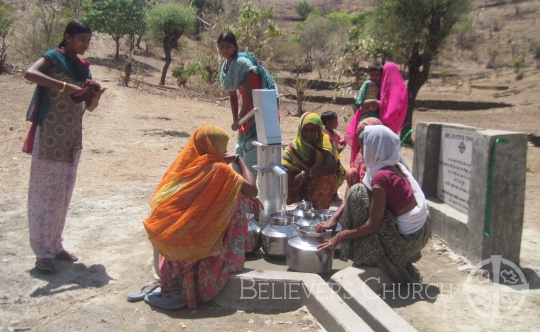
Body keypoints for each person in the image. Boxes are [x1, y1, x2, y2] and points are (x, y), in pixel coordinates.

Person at [143, 125, 262, 310]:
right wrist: (238, 159)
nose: (224, 150)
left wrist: (241, 193)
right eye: (222, 146)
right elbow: (252, 188)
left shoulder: (187, 166)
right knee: (238, 200)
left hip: (179, 237)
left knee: (237, 194)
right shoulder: (220, 170)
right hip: (202, 241)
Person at [23, 20, 106, 272]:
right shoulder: (52, 58)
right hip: (49, 134)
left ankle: (55, 246)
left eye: (89, 40)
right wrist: (63, 85)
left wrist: (96, 97)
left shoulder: (83, 69)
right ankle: (42, 253)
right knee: (43, 193)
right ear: (68, 38)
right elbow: (29, 73)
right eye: (82, 39)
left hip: (71, 138)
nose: (86, 44)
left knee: (62, 195)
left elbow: (88, 108)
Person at [316, 126, 431, 284]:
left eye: (364, 146)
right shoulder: (392, 165)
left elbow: (373, 224)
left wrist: (340, 236)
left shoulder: (381, 178)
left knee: (358, 195)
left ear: (375, 147)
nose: (362, 150)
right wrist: (335, 217)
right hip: (420, 233)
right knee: (358, 193)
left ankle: (369, 253)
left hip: (406, 243)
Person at [218, 31, 279, 179]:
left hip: (260, 110)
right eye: (221, 47)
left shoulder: (243, 64)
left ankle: (249, 194)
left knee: (253, 153)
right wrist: (236, 119)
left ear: (235, 47)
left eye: (228, 46)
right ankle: (241, 193)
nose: (225, 50)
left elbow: (250, 95)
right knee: (240, 153)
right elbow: (233, 94)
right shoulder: (227, 67)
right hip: (247, 113)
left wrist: (240, 118)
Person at [344, 62, 408, 166]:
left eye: (380, 74)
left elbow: (389, 114)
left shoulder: (395, 90)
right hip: (382, 128)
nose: (378, 77)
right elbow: (362, 102)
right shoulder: (375, 85)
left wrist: (377, 104)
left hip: (382, 129)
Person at [281, 112, 338, 210]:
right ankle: (299, 206)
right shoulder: (295, 146)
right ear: (300, 129)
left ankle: (320, 211)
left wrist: (306, 173)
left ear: (319, 130)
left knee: (326, 179)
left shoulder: (324, 141)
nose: (308, 134)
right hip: (299, 181)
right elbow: (284, 165)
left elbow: (331, 167)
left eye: (312, 130)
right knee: (282, 175)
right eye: (305, 130)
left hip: (317, 179)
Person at [321, 111, 347, 201]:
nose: (337, 123)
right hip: (328, 161)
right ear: (328, 123)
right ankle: (332, 194)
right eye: (335, 120)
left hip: (335, 160)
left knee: (341, 174)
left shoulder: (334, 134)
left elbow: (340, 139)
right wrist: (341, 148)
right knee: (335, 176)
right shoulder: (325, 135)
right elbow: (331, 151)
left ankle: (333, 193)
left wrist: (343, 141)